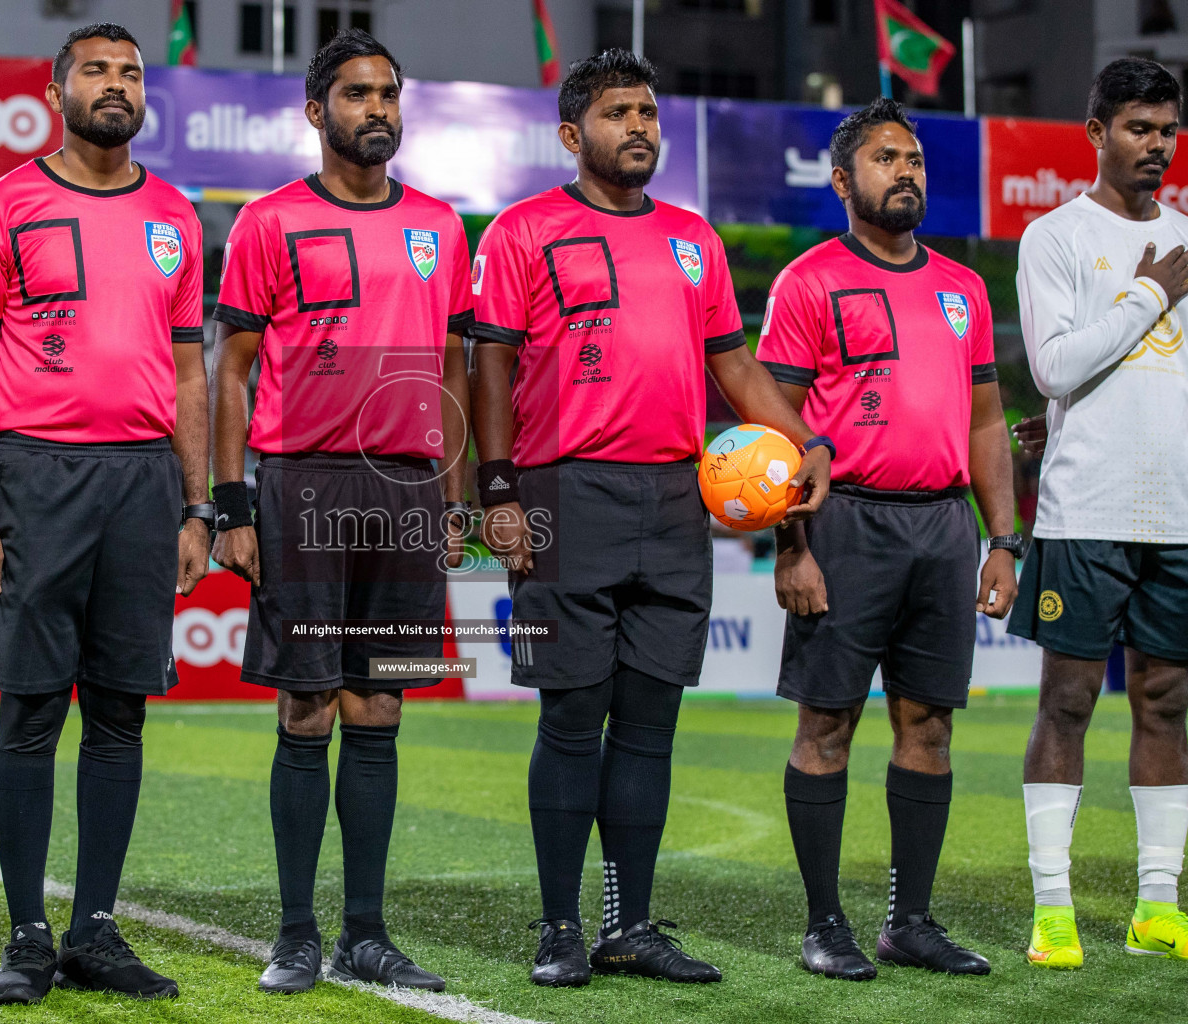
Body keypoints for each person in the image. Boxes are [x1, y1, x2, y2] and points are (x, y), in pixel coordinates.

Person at [469, 48, 831, 988]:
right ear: (570, 133)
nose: (639, 126)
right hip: (562, 491)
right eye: (620, 112)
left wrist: (806, 443)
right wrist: (498, 489)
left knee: (649, 724)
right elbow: (491, 368)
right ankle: (559, 928)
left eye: (649, 113)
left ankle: (627, 925)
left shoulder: (693, 239)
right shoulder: (521, 232)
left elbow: (737, 368)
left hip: (676, 498)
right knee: (571, 718)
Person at [0, 23, 210, 1004]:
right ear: (57, 89)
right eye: (95, 69)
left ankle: (95, 928)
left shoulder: (176, 214)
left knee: (122, 709)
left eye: (130, 72)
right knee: (32, 710)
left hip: (143, 483)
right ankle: (25, 935)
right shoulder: (3, 206)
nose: (115, 84)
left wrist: (197, 506)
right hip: (35, 480)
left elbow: (189, 373)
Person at [211, 29, 471, 995]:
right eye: (359, 95)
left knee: (382, 700)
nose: (379, 110)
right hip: (302, 481)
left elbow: (451, 364)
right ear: (317, 113)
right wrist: (230, 501)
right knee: (308, 699)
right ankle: (294, 933)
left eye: (390, 95)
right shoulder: (269, 222)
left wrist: (450, 494)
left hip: (405, 486)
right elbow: (229, 367)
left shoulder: (442, 227)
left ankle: (366, 930)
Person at [757, 98, 1017, 980]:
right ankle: (824, 923)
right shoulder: (807, 282)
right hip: (846, 522)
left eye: (912, 158)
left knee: (929, 726)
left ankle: (911, 921)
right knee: (826, 725)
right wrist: (792, 547)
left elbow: (987, 423)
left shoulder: (964, 288)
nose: (904, 171)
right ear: (842, 181)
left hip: (944, 525)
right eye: (883, 158)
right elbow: (775, 427)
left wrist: (1003, 540)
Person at [1012, 56, 1188, 970]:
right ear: (1096, 132)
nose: (1156, 146)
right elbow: (1055, 369)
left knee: (1168, 700)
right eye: (1138, 129)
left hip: (1179, 514)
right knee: (1069, 701)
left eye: (1167, 130)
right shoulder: (1055, 238)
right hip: (1085, 509)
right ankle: (1054, 911)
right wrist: (1156, 291)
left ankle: (1159, 903)